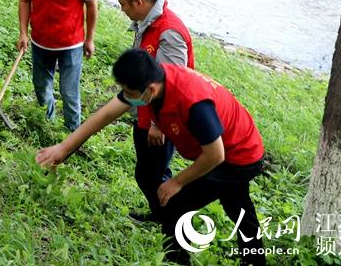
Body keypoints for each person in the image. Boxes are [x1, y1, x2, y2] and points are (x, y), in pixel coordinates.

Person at [36, 50, 267, 266]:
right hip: (235, 147)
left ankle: (175, 260)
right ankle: (255, 260)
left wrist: (177, 182)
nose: (127, 99)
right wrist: (64, 148)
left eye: (131, 94)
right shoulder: (153, 81)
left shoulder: (192, 101)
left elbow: (215, 155)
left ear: (151, 90)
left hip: (238, 156)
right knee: (237, 203)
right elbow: (106, 113)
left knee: (174, 204)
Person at [114, 0, 195, 224]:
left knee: (150, 175)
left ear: (138, 2)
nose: (122, 10)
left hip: (162, 119)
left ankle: (169, 219)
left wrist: (157, 125)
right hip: (146, 112)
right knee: (153, 172)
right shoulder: (146, 22)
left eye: (123, 5)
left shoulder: (169, 32)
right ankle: (163, 214)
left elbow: (170, 83)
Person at [17, 0, 97, 131]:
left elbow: (92, 6)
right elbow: (25, 0)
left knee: (69, 92)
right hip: (40, 41)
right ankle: (47, 123)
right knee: (41, 87)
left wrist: (89, 39)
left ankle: (73, 132)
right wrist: (23, 33)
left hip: (71, 43)